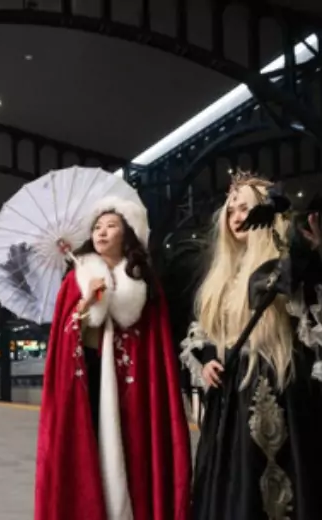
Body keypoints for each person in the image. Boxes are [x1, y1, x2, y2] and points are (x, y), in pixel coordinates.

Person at [35, 196, 191, 520]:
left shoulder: (144, 283)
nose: (101, 233)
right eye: (96, 227)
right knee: (89, 448)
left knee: (133, 451)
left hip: (132, 389)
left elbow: (155, 345)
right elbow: (65, 340)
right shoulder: (75, 281)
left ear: (128, 233)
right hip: (89, 381)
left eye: (111, 226)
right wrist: (86, 303)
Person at [180, 172, 322, 519]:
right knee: (232, 484)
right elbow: (203, 333)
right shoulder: (222, 275)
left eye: (245, 208)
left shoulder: (286, 262)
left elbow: (311, 324)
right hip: (230, 396)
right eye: (230, 211)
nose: (237, 217)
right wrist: (209, 359)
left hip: (280, 385)